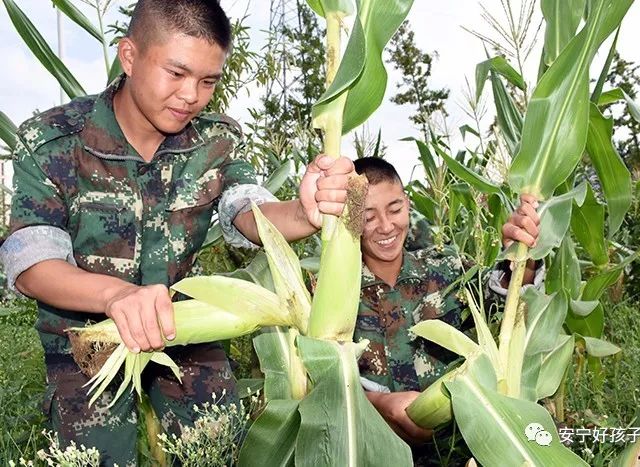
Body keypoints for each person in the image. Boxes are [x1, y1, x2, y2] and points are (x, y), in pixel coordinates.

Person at [0, 1, 353, 464]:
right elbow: (30, 263)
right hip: (88, 341)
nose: (192, 95)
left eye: (209, 81)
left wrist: (306, 212)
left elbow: (248, 210)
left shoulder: (216, 140)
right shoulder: (53, 141)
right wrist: (115, 296)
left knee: (221, 448)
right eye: (177, 73)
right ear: (129, 57)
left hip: (183, 331)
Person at [353, 157, 541, 458]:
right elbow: (322, 382)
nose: (386, 227)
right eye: (368, 216)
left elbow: (504, 302)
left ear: (408, 204)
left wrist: (520, 257)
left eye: (395, 209)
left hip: (464, 453)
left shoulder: (448, 268)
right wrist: (378, 405)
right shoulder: (334, 294)